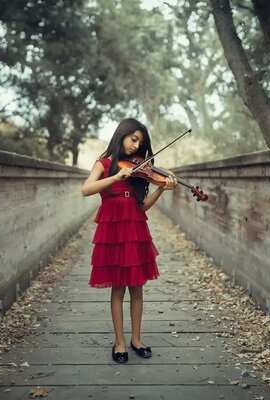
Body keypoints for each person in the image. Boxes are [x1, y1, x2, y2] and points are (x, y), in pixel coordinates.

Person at [81, 118, 178, 364]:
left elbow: (142, 206)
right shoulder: (104, 164)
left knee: (137, 288)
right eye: (133, 139)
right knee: (117, 288)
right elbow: (86, 189)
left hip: (135, 231)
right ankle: (120, 342)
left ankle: (136, 339)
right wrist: (115, 177)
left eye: (140, 142)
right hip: (113, 233)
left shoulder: (139, 172)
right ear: (121, 134)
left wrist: (159, 189)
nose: (136, 146)